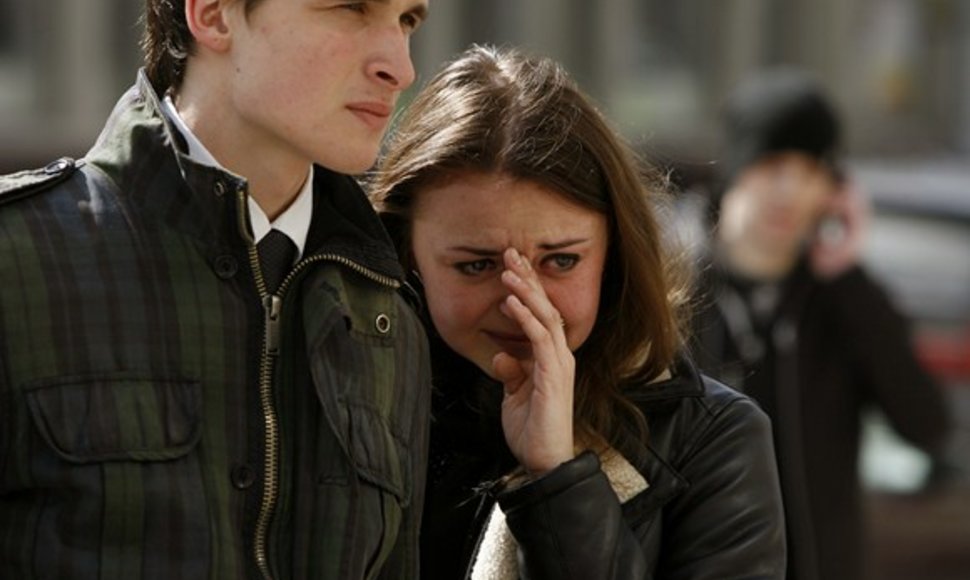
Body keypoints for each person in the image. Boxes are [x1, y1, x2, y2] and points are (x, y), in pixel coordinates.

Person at [0, 0, 433, 578]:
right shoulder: (17, 260)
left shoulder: (389, 313)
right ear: (212, 15)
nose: (400, 67)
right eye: (350, 8)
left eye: (407, 20)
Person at [369, 45, 786, 579]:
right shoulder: (354, 402)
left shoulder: (712, 441)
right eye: (476, 266)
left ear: (613, 256)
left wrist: (558, 480)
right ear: (409, 257)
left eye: (561, 261)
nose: (524, 306)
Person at [687, 68, 952, 580]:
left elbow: (929, 427)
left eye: (813, 171)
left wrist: (847, 278)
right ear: (737, 167)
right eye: (773, 164)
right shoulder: (676, 292)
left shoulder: (842, 301)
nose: (791, 190)